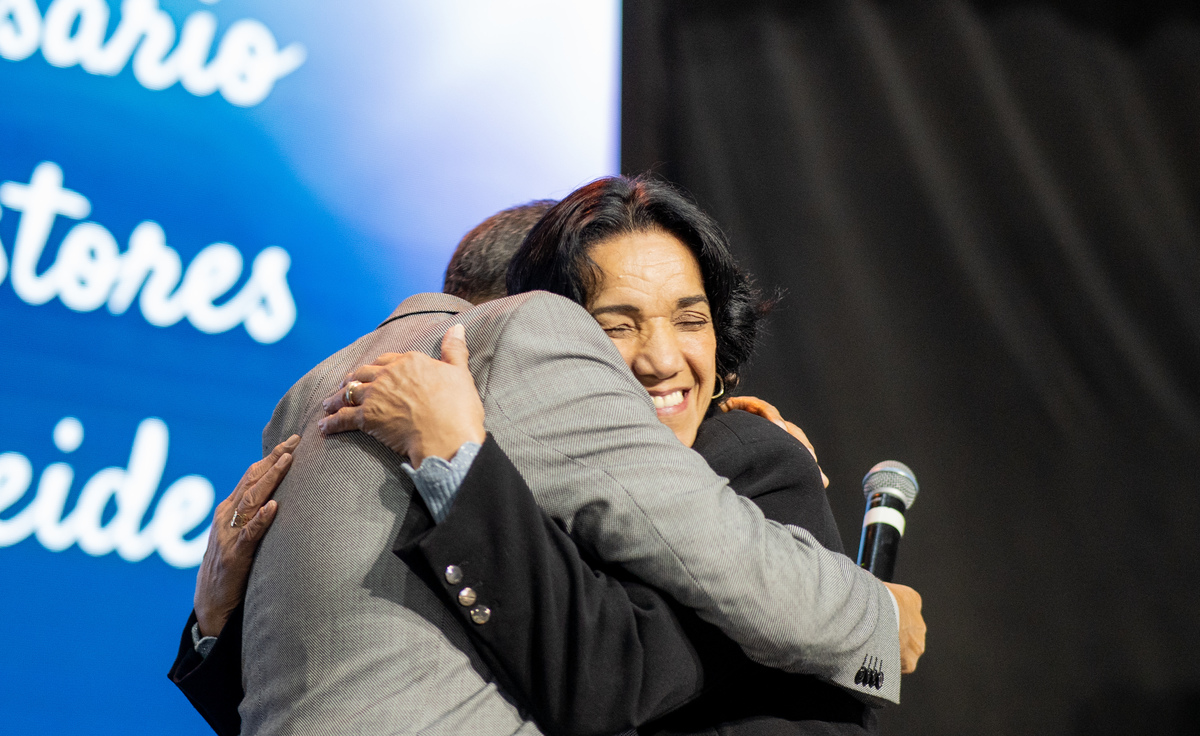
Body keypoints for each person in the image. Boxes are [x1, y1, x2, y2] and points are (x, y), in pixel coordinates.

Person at [170, 188, 917, 735]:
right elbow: (360, 675)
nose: (660, 358)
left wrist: (877, 613)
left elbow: (606, 671)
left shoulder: (750, 455)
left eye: (688, 319)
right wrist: (215, 620)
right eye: (613, 328)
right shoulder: (448, 449)